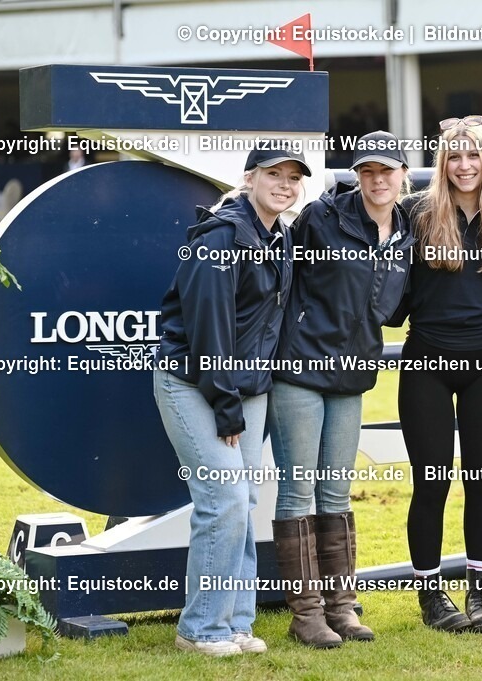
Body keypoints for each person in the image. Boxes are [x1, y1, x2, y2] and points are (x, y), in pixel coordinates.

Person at [153, 144, 308, 656]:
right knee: (223, 500)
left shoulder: (279, 235)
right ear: (248, 178)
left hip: (248, 387)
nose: (284, 185)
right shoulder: (221, 233)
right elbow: (208, 329)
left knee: (244, 503)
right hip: (195, 383)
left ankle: (237, 624)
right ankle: (201, 629)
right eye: (273, 175)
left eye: (292, 178)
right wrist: (226, 405)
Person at [267, 130, 414, 648]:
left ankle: (342, 607)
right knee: (299, 487)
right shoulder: (322, 217)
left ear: (403, 174)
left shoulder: (408, 227)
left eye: (387, 171)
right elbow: (280, 278)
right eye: (368, 171)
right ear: (357, 175)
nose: (377, 180)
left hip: (352, 372)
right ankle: (306, 613)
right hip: (300, 366)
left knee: (335, 488)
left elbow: (395, 307)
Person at [396, 115, 482, 633]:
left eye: (474, 156)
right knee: (432, 482)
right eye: (454, 156)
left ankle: (480, 594)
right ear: (442, 163)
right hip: (426, 361)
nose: (464, 166)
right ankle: (430, 596)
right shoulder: (415, 214)